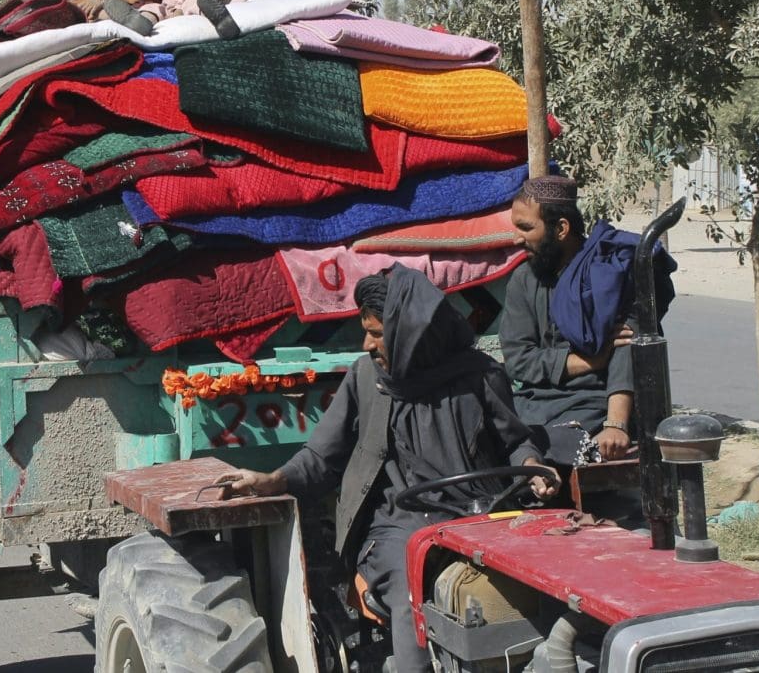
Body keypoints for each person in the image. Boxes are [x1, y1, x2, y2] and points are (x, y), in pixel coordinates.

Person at [219, 266, 555, 673]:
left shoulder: (480, 376)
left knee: (539, 581)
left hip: (478, 516)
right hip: (397, 524)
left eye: (377, 334)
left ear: (410, 332)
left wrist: (532, 467)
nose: (367, 343)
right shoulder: (366, 379)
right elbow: (323, 458)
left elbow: (516, 441)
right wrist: (272, 480)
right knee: (410, 585)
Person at [499, 175, 674, 475]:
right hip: (532, 406)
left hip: (593, 408)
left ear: (562, 229)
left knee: (563, 450)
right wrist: (589, 361)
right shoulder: (524, 281)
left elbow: (627, 348)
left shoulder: (609, 272)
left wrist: (615, 425)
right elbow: (518, 360)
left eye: (526, 228)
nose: (517, 238)